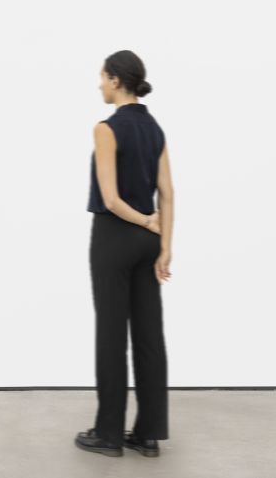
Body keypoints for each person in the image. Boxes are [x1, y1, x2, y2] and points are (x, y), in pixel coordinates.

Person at [74, 50, 174, 458]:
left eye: (101, 76)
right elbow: (167, 194)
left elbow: (112, 201)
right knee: (150, 336)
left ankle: (109, 434)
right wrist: (165, 244)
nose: (99, 83)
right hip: (149, 244)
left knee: (112, 336)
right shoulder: (155, 129)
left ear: (116, 80)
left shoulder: (106, 128)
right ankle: (148, 436)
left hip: (115, 239)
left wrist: (145, 222)